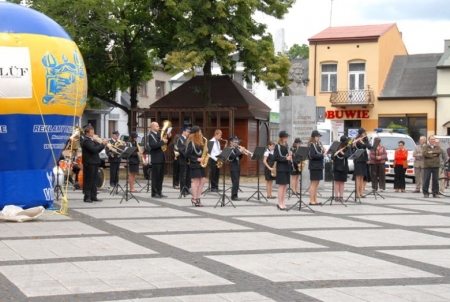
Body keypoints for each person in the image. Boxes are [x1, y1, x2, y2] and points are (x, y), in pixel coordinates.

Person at [81, 125, 107, 202]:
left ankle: (93, 196)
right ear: (87, 133)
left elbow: (97, 150)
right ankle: (87, 196)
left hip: (95, 161)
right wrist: (103, 144)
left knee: (94, 180)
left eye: (93, 132)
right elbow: (93, 150)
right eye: (91, 132)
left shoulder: (92, 141)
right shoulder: (86, 141)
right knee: (89, 180)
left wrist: (101, 144)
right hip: (89, 162)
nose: (93, 134)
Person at [148, 121, 171, 198]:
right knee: (155, 176)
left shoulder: (158, 134)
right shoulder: (150, 135)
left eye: (158, 126)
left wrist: (168, 137)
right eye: (157, 126)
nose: (159, 127)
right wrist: (162, 141)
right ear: (152, 127)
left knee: (161, 177)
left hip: (162, 157)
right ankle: (154, 193)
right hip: (156, 158)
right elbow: (153, 145)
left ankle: (159, 192)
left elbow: (165, 144)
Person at [186, 126, 206, 206]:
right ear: (196, 133)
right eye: (199, 131)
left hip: (200, 164)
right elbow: (187, 155)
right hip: (194, 164)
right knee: (196, 181)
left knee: (203, 180)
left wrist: (206, 152)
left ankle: (198, 197)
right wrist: (197, 159)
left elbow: (202, 152)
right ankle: (194, 198)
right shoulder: (191, 143)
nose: (201, 133)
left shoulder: (201, 142)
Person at [274, 131, 292, 210]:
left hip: (287, 167)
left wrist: (290, 155)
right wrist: (286, 158)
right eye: (285, 137)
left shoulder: (286, 146)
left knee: (285, 186)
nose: (287, 139)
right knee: (281, 185)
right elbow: (276, 157)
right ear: (282, 138)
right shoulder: (277, 146)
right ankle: (279, 203)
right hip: (281, 168)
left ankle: (283, 202)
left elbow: (286, 155)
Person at [353, 127, 372, 198]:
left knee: (362, 176)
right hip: (358, 160)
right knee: (358, 177)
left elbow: (370, 147)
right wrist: (353, 145)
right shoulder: (356, 140)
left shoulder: (365, 139)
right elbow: (353, 150)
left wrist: (363, 142)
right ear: (360, 133)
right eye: (363, 133)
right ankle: (357, 192)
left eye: (365, 133)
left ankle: (361, 192)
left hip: (364, 160)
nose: (365, 134)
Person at [308, 130, 325, 205]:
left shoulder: (318, 145)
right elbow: (312, 156)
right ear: (314, 137)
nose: (319, 138)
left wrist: (323, 151)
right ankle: (311, 200)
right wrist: (322, 155)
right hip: (314, 166)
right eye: (317, 136)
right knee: (313, 183)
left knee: (317, 183)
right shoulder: (311, 145)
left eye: (319, 137)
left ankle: (315, 199)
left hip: (319, 165)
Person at [332, 136, 351, 201]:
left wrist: (342, 153)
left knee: (342, 182)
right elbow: (332, 157)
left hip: (344, 166)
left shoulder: (347, 148)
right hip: (337, 166)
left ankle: (341, 196)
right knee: (337, 182)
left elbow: (349, 155)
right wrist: (335, 154)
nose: (346, 144)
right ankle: (336, 196)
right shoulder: (336, 147)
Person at [176, 126, 191, 196]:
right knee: (183, 175)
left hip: (188, 159)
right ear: (184, 131)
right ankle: (182, 189)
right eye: (187, 132)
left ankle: (187, 188)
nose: (188, 133)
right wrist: (186, 155)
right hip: (183, 159)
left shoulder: (188, 139)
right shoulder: (180, 139)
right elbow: (180, 149)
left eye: (189, 132)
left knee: (188, 175)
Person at [228, 136, 243, 201]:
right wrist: (239, 152)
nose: (236, 143)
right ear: (231, 142)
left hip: (237, 166)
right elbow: (233, 156)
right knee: (235, 182)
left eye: (237, 142)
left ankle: (235, 195)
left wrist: (242, 152)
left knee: (237, 182)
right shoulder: (229, 149)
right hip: (233, 167)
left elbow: (239, 157)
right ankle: (233, 196)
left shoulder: (236, 148)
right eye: (235, 142)